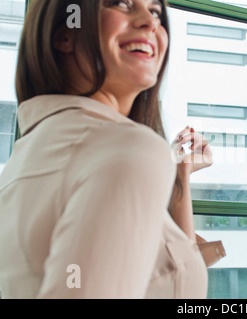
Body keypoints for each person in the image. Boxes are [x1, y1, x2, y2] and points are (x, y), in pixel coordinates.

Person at [0, 0, 224, 299]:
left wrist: (179, 173)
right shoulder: (127, 148)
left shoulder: (30, 154)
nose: (149, 20)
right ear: (65, 33)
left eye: (155, 11)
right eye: (120, 3)